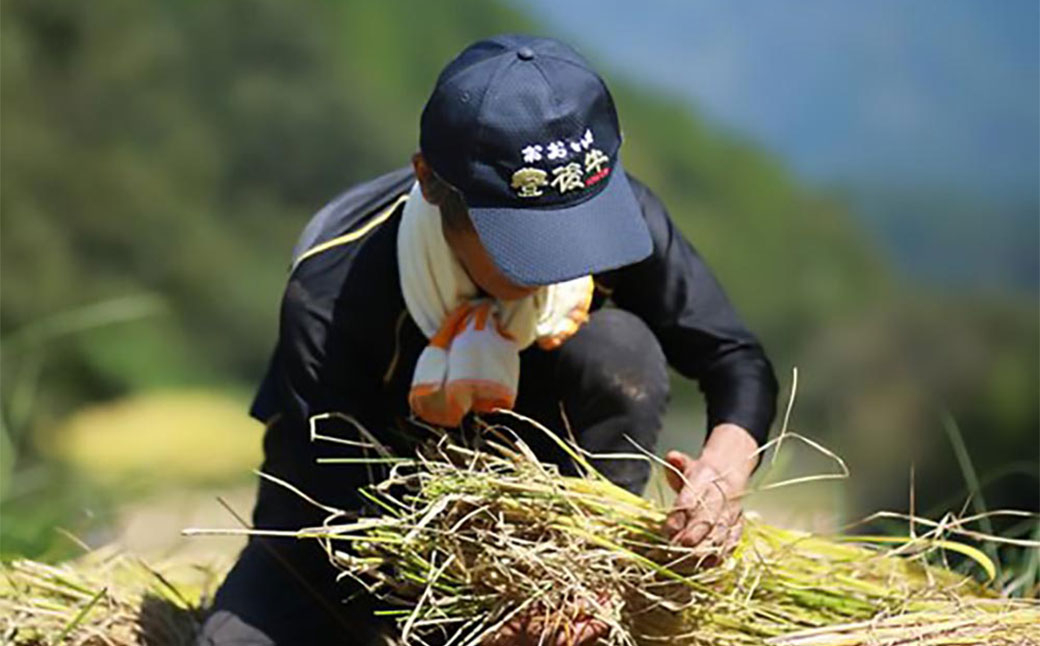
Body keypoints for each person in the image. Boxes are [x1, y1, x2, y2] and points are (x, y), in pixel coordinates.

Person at [198, 34, 778, 646]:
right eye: (526, 241)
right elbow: (333, 516)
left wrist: (724, 467)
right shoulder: (333, 288)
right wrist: (476, 624)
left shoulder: (621, 213)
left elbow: (734, 358)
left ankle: (592, 589)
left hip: (550, 531)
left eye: (575, 225)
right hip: (364, 528)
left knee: (619, 352)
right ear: (428, 180)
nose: (560, 265)